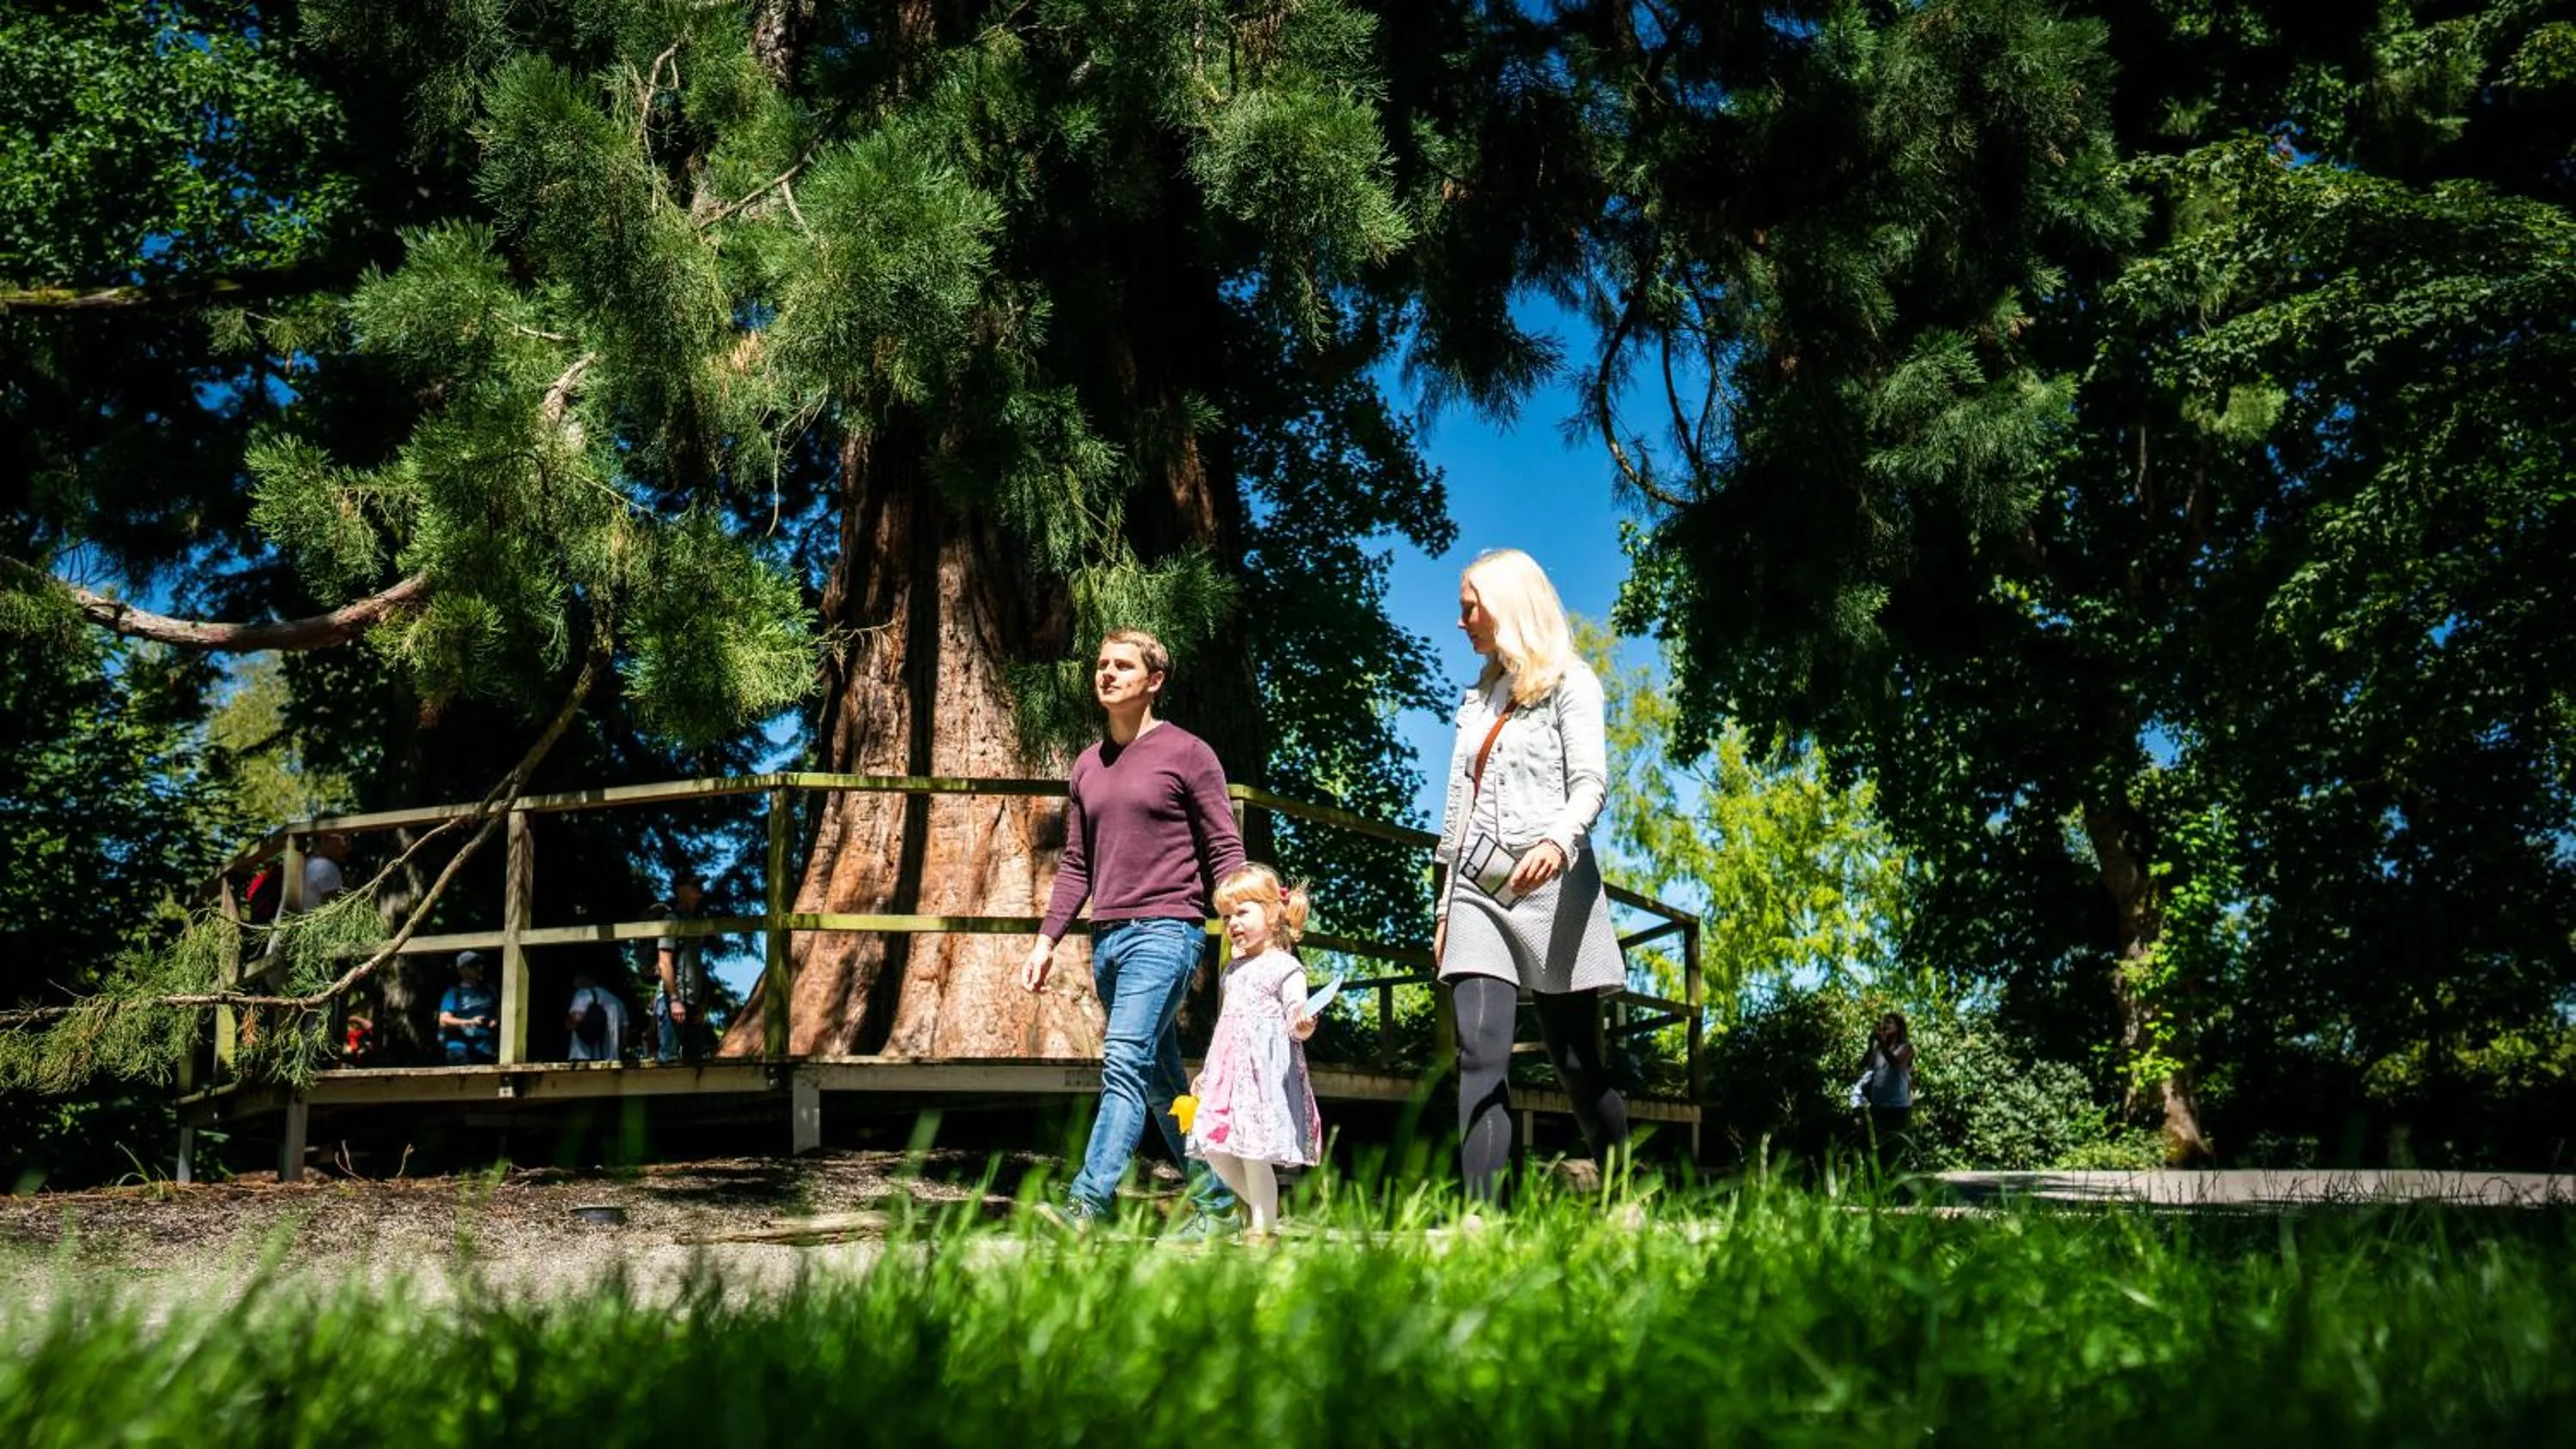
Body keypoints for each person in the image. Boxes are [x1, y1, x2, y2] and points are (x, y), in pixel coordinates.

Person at [1019, 627, 1247, 1234]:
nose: (1108, 674)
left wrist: (1252, 923)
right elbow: (1076, 865)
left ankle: (1087, 1203)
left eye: (1123, 665)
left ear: (1155, 681)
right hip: (1109, 941)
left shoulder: (1188, 754)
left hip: (1168, 932)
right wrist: (1047, 940)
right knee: (1157, 1082)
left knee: (1121, 1062)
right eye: (1101, 664)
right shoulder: (1088, 766)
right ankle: (1220, 1206)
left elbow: (1224, 848)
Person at [1433, 548, 1630, 1205]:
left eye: (1471, 607)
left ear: (1508, 605)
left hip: (1550, 884)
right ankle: (1481, 1219)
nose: (1461, 621)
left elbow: (1590, 783)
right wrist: (1443, 908)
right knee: (1479, 1051)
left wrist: (1558, 839)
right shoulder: (1477, 697)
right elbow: (1457, 802)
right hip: (1475, 889)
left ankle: (1621, 1195)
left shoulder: (1571, 681)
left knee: (1574, 1062)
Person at [1184, 864, 1323, 1244]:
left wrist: (1303, 1023)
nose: (1232, 924)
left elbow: (1296, 1014)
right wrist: (1208, 1071)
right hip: (1230, 1075)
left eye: (1242, 913)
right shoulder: (1233, 971)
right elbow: (1226, 1026)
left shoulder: (1285, 967)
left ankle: (1263, 1229)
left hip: (1263, 1078)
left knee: (1253, 1151)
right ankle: (1267, 1208)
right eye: (1227, 917)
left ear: (1274, 912)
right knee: (1211, 1144)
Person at [649, 872, 712, 1065]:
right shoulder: (672, 919)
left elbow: (697, 967)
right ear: (680, 890)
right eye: (693, 884)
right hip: (673, 1003)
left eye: (699, 885)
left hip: (693, 1004)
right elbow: (664, 962)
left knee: (696, 1066)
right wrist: (674, 1000)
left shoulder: (694, 923)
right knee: (669, 1063)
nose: (698, 889)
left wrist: (702, 1004)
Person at [1854, 1012, 1916, 1166]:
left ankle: (1897, 1187)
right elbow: (1863, 1065)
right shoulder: (1878, 1049)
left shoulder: (1907, 1048)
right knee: (1876, 1151)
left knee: (1894, 1153)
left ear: (1899, 1028)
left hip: (1898, 1108)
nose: (1884, 1025)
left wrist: (1881, 1044)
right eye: (1882, 1023)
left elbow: (1897, 1065)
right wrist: (1871, 1044)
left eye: (1889, 1022)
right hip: (1878, 1106)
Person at [438, 951, 500, 1064]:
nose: (478, 968)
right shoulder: (454, 993)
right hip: (459, 1048)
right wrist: (470, 1022)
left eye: (479, 964)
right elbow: (444, 1020)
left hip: (486, 1048)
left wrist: (493, 1022)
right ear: (461, 970)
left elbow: (497, 1013)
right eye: (473, 965)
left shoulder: (490, 990)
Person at [566, 969, 628, 1063]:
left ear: (584, 979)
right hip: (612, 1061)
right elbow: (624, 1036)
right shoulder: (618, 1003)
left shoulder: (583, 994)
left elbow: (575, 1020)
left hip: (584, 1058)